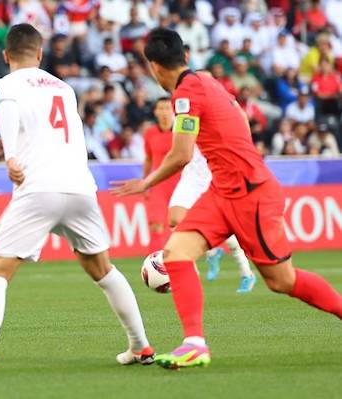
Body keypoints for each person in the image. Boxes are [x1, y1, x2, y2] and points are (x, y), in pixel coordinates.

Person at [111, 28, 342, 370]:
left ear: (153, 68)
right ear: (186, 57)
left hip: (251, 195)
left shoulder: (185, 95)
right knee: (176, 252)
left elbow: (181, 155)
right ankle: (194, 343)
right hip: (223, 191)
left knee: (282, 281)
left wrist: (145, 182)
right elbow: (240, 119)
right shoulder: (206, 79)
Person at [0, 24, 153, 376]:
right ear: (40, 54)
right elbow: (49, 132)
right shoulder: (65, 88)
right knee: (102, 269)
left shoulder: (3, 86)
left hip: (38, 188)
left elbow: (9, 110)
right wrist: (8, 148)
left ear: (7, 56)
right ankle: (140, 345)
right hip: (80, 188)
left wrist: (10, 153)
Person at [167, 146, 256, 294]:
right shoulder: (182, 122)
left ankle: (247, 274)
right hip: (190, 178)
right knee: (176, 219)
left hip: (213, 178)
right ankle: (211, 254)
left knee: (226, 228)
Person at [143, 97, 181, 252]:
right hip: (158, 184)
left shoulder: (181, 131)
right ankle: (155, 265)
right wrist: (145, 183)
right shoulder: (150, 133)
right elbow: (148, 159)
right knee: (156, 225)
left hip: (179, 184)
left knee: (180, 226)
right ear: (155, 112)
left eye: (167, 108)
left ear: (173, 111)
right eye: (161, 108)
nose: (165, 112)